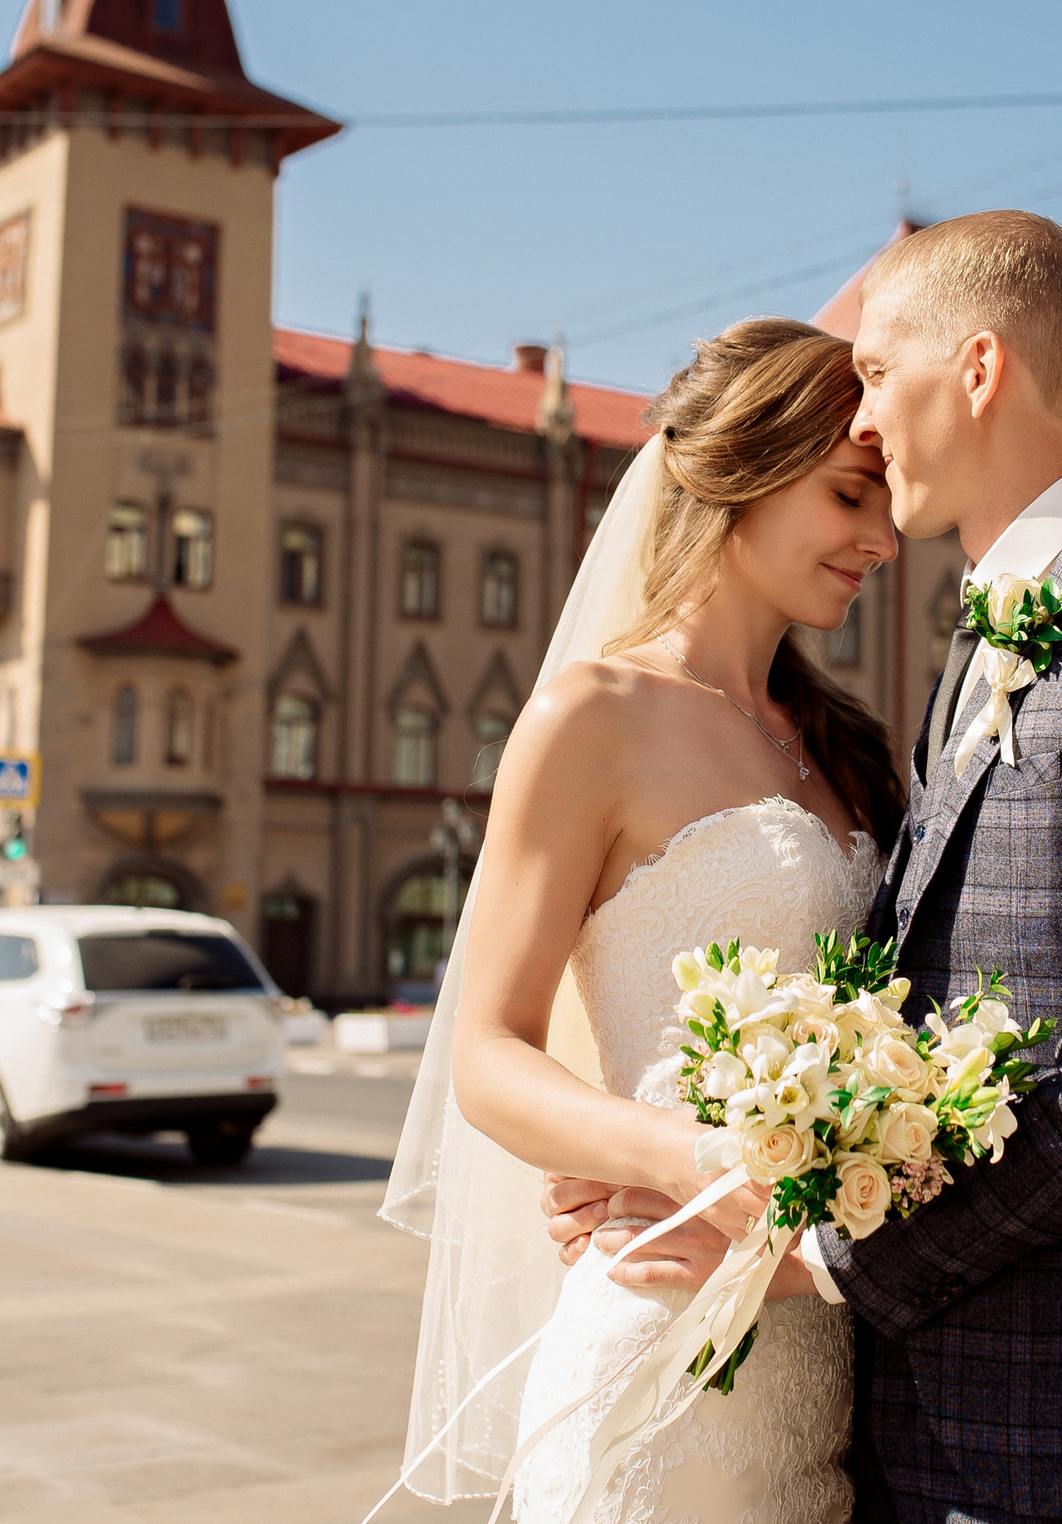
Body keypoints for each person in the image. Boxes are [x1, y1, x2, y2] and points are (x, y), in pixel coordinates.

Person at [539, 212, 1062, 1523]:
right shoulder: (967, 651)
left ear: (982, 369)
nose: (865, 420)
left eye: (879, 376)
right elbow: (926, 1024)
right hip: (916, 1430)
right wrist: (712, 1143)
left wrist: (804, 1251)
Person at [381, 318, 902, 1523]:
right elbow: (489, 1051)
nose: (880, 540)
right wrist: (681, 1158)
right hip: (656, 1327)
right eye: (846, 495)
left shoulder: (851, 749)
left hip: (821, 1354)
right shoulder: (592, 717)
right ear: (741, 469)